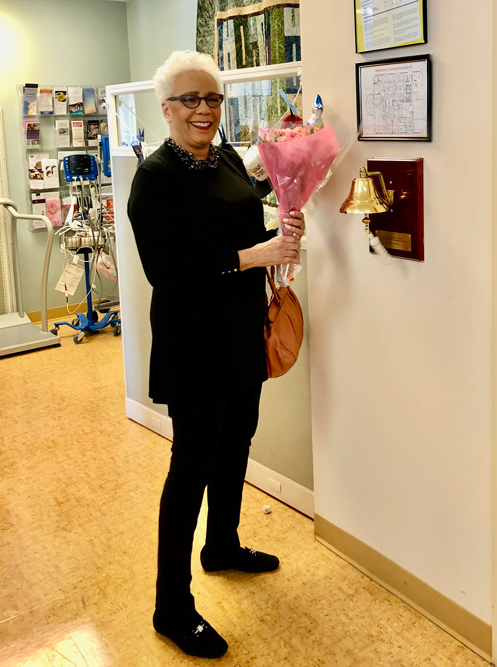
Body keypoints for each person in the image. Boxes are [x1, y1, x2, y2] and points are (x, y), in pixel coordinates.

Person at [127, 50, 305, 659]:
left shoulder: (227, 155)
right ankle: (171, 606)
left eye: (213, 99)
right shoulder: (155, 177)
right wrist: (252, 257)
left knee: (237, 445)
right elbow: (167, 273)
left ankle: (222, 546)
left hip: (240, 334)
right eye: (190, 100)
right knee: (191, 468)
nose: (204, 111)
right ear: (166, 107)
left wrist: (280, 234)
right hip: (193, 344)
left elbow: (242, 230)